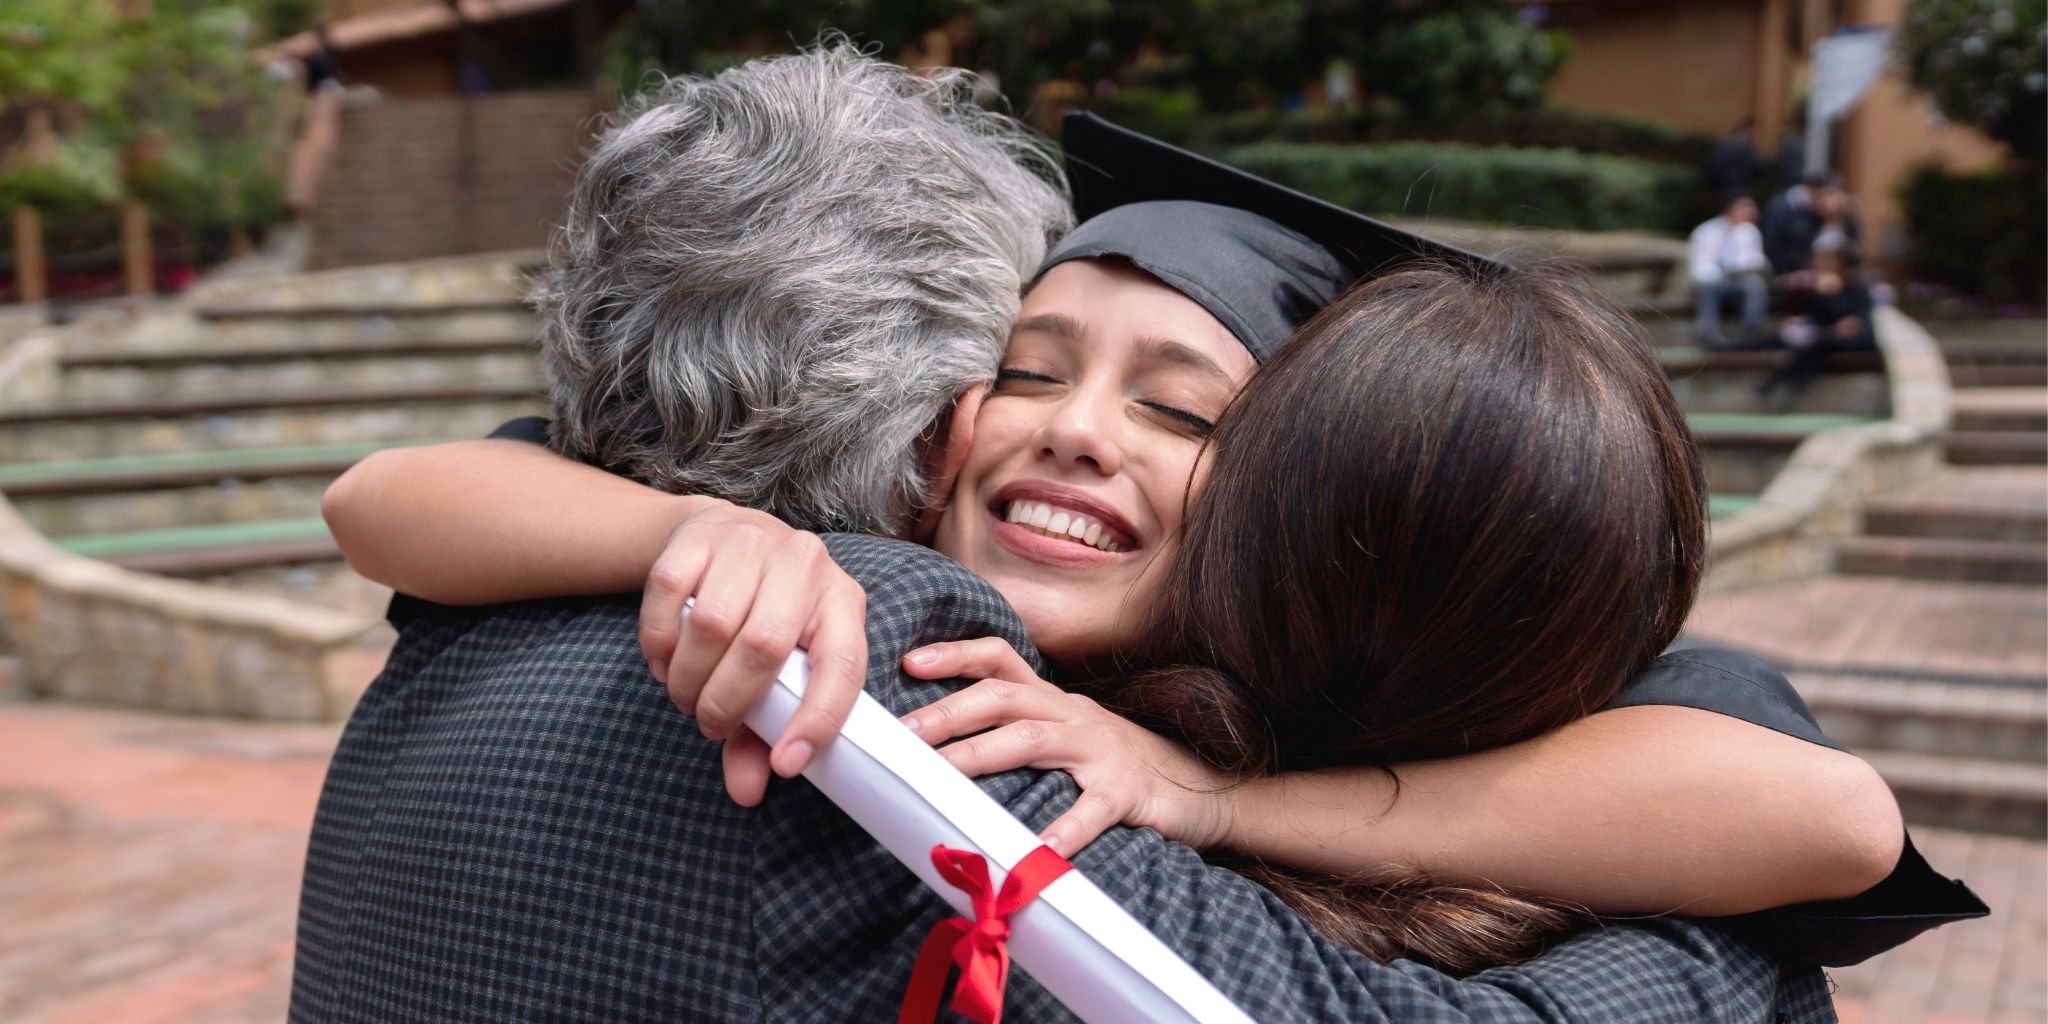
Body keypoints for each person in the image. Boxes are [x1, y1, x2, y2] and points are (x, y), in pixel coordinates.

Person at [293, 47, 1853, 1022]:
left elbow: (1826, 823)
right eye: (1025, 373)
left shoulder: (1321, 712)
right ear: (927, 428)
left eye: (1184, 414)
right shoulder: (894, 644)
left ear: (1299, 513)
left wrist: (1220, 796)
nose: (1078, 429)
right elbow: (385, 496)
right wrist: (702, 531)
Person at [1758, 237, 1879, 407]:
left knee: (1815, 344)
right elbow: (1817, 315)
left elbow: (1854, 319)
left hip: (1857, 339)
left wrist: (1831, 296)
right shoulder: (1822, 283)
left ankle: (1776, 382)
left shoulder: (1857, 286)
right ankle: (1787, 388)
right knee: (1805, 345)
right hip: (1827, 335)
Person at [1689, 193, 1770, 346]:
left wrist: (1738, 270)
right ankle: (1707, 331)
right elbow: (1701, 267)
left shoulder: (1749, 231)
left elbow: (1755, 260)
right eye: (1745, 207)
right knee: (1708, 286)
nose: (1752, 211)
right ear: (1729, 209)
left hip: (1740, 280)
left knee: (1755, 284)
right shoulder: (1706, 231)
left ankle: (1752, 331)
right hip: (1713, 281)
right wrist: (1722, 274)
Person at [1763, 172, 1862, 286]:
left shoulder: (1846, 220)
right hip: (1802, 278)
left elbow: (1854, 256)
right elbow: (1789, 253)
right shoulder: (1800, 216)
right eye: (1827, 195)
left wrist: (1837, 218)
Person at [1703, 118, 1759, 201]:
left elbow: (1709, 166)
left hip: (1718, 191)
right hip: (1740, 191)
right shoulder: (1746, 148)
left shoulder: (1721, 145)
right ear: (1747, 132)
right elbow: (1754, 168)